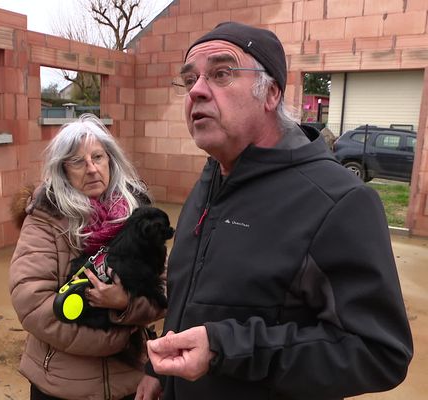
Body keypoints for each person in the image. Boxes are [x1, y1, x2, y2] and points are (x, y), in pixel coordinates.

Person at [136, 21, 413, 400]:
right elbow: (189, 296)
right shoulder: (211, 179)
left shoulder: (337, 201)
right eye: (189, 79)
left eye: (221, 73)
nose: (196, 91)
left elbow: (379, 352)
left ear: (270, 93)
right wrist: (159, 373)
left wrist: (223, 348)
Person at [9, 113, 165, 400]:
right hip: (60, 385)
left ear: (111, 160)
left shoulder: (138, 216)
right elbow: (31, 303)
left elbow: (163, 289)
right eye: (78, 162)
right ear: (63, 170)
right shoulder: (46, 217)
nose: (92, 169)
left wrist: (125, 304)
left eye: (98, 157)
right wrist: (115, 338)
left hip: (128, 384)